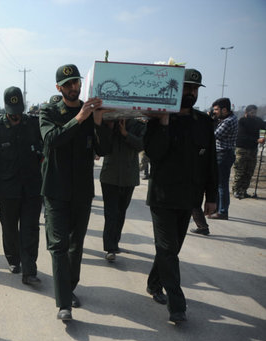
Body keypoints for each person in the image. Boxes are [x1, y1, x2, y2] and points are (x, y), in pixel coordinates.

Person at [144, 69, 217, 324]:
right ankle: (177, 306)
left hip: (189, 197)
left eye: (195, 90)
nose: (191, 94)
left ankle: (154, 283)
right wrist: (164, 123)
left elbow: (210, 163)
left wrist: (211, 196)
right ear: (175, 89)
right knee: (167, 249)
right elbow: (154, 154)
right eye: (187, 89)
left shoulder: (203, 122)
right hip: (162, 197)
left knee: (170, 249)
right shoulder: (157, 120)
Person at [39, 64, 112, 321]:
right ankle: (64, 304)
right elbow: (51, 140)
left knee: (75, 245)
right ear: (59, 88)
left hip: (82, 191)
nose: (73, 87)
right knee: (58, 246)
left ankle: (69, 288)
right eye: (68, 84)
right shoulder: (48, 111)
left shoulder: (92, 112)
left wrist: (99, 121)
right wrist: (80, 117)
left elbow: (104, 149)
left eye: (76, 83)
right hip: (56, 190)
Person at [0, 86, 44, 285]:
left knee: (30, 229)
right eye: (12, 114)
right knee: (9, 228)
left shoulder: (34, 125)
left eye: (18, 113)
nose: (16, 117)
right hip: (7, 190)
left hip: (32, 188)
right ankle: (13, 259)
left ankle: (30, 270)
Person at [99, 118, 146, 261]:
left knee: (121, 211)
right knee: (111, 212)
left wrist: (126, 134)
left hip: (128, 176)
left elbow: (142, 145)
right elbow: (100, 146)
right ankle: (110, 247)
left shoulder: (138, 125)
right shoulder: (107, 121)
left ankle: (115, 242)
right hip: (110, 175)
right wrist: (109, 127)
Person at [208, 97, 238, 220]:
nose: (214, 112)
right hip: (223, 154)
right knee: (219, 183)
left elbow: (214, 135)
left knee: (221, 184)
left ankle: (223, 211)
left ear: (224, 110)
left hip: (223, 154)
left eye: (216, 110)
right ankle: (218, 209)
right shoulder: (229, 118)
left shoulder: (228, 121)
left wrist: (210, 121)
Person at [233, 105, 266, 199]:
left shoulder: (258, 121)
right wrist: (257, 140)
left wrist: (263, 137)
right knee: (240, 171)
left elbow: (264, 127)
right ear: (246, 113)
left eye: (255, 113)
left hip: (252, 150)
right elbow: (242, 137)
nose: (254, 115)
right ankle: (236, 190)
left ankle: (244, 191)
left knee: (249, 172)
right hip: (242, 149)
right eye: (252, 113)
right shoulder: (242, 121)